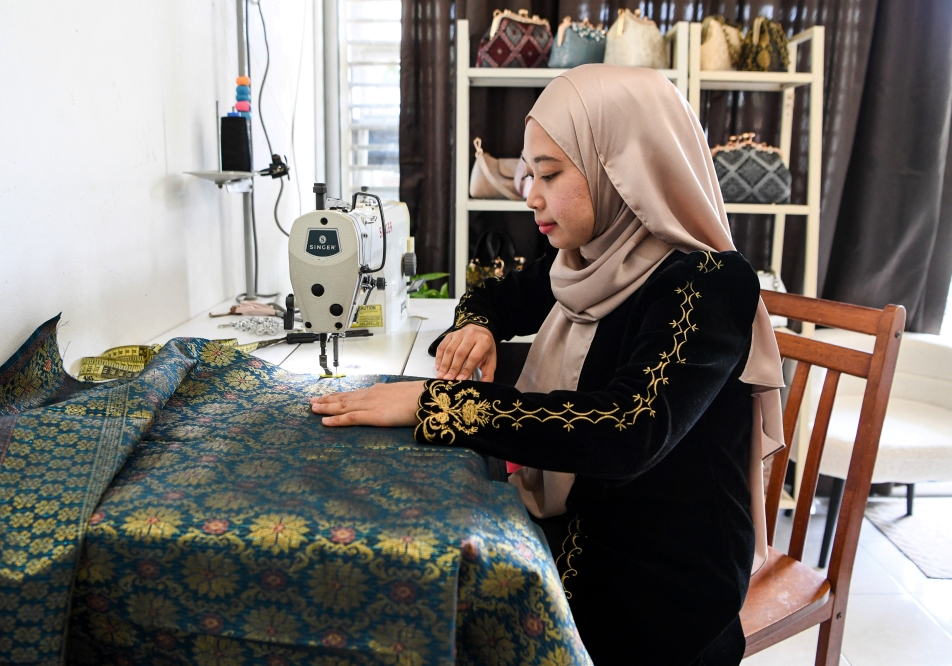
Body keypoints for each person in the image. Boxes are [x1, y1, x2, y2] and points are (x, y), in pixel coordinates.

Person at [310, 64, 785, 665]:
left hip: (662, 587)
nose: (529, 194)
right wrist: (474, 325)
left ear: (623, 167)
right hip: (584, 534)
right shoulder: (584, 258)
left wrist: (442, 405)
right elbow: (497, 294)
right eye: (528, 173)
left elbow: (627, 429)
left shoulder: (707, 284)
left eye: (551, 173)